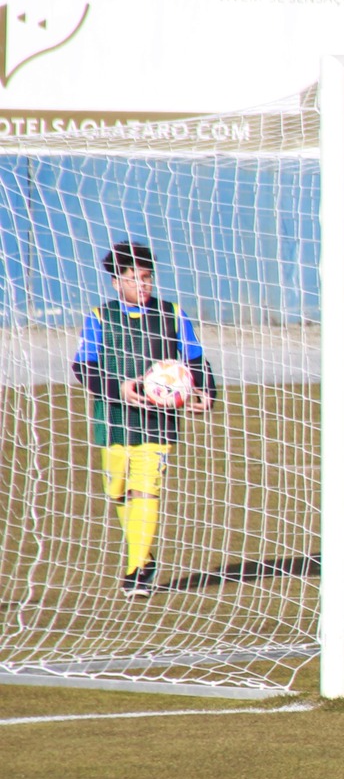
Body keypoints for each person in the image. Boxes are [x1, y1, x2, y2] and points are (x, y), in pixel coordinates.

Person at [71, 242, 217, 596]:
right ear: (116, 283)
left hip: (158, 420)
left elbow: (195, 358)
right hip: (114, 416)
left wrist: (206, 389)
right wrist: (117, 388)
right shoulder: (100, 316)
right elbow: (81, 366)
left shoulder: (172, 313)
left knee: (146, 488)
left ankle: (136, 570)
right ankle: (145, 557)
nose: (143, 285)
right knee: (117, 490)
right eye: (133, 278)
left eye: (147, 277)